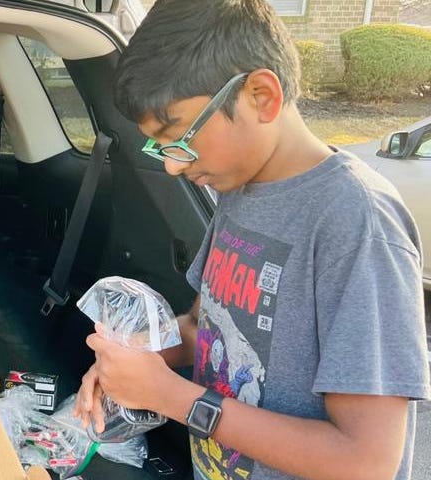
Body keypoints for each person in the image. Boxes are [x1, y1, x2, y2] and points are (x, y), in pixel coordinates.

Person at [73, 0, 431, 479]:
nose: (174, 165)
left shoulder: (358, 224)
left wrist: (174, 397)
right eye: (158, 147)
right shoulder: (239, 187)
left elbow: (365, 462)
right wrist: (138, 360)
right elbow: (208, 326)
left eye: (178, 135)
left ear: (262, 96)